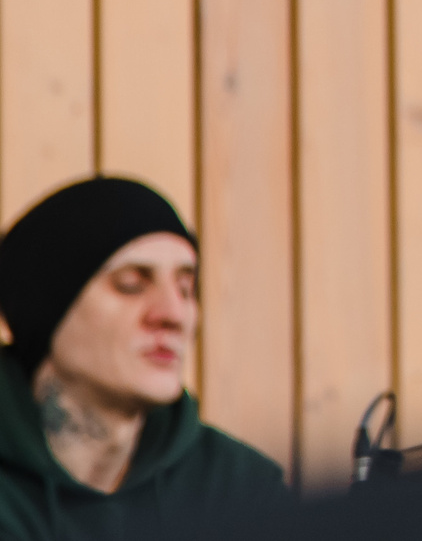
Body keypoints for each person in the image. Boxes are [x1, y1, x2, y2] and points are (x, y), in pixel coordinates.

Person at [0, 178, 286, 538]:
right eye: (131, 284)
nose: (173, 314)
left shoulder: (240, 489)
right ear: (45, 311)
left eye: (186, 289)